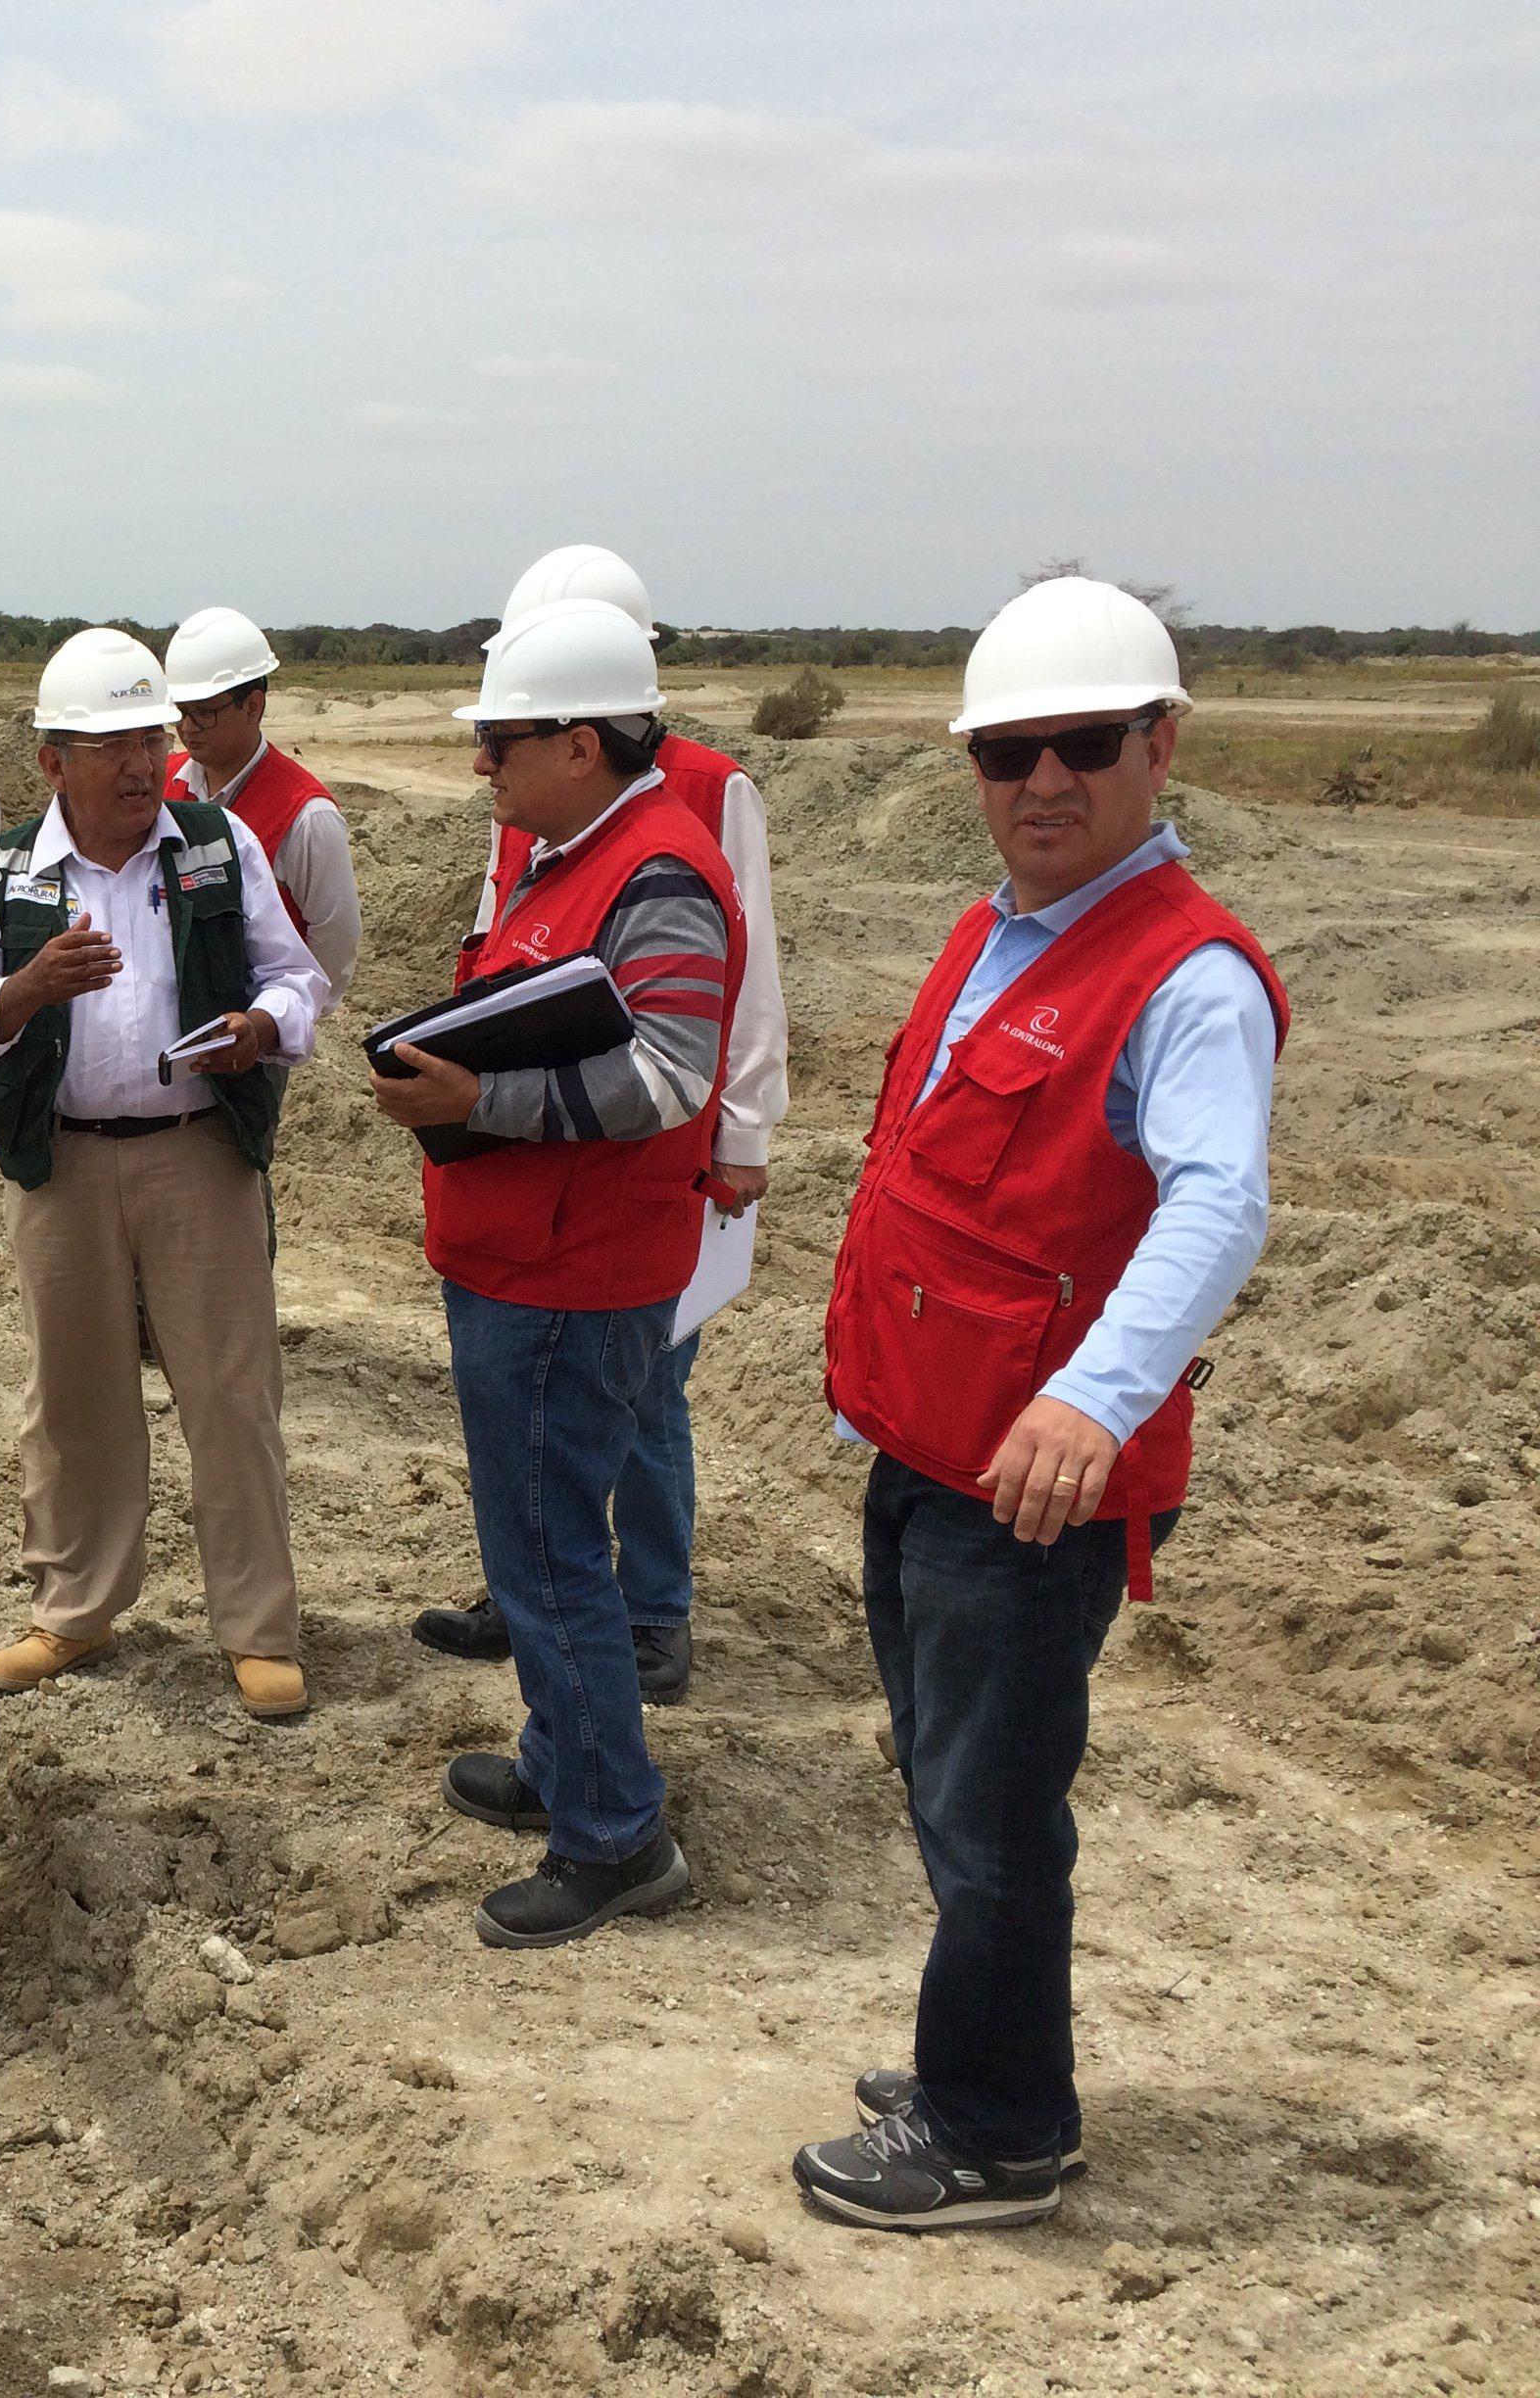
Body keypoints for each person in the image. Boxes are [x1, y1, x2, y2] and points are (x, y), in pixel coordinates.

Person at [789, 578, 1283, 2231]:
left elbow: (1217, 1202)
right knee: (949, 1778)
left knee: (993, 1810)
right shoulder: (998, 930)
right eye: (1009, 752)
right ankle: (993, 2061)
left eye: (1083, 742)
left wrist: (1092, 1399)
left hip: (1030, 1481)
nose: (1044, 780)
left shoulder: (1186, 976)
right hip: (929, 1448)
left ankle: (994, 2131)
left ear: (1159, 747)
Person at [369, 600, 740, 1947]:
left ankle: (615, 1836)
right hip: (526, 1258)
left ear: (582, 744)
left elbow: (671, 1075)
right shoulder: (570, 854)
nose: (482, 763)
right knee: (535, 1540)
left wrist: (481, 1099)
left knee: (551, 1553)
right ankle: (563, 1753)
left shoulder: (659, 875)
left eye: (502, 740)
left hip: (573, 1276)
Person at [413, 547, 791, 1703]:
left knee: (644, 1392)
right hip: (540, 1175)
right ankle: (539, 1597)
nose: (486, 757)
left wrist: (743, 1134)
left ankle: (651, 1611)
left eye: (507, 729)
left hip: (634, 1171)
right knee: (557, 1450)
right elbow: (509, 934)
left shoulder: (703, 798)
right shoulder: (543, 799)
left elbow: (742, 981)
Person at [0, 627, 331, 1720]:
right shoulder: (8, 872)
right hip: (59, 1164)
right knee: (73, 1398)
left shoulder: (217, 843)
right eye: (108, 746)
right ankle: (74, 1610)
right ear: (51, 761)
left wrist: (263, 1025)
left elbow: (297, 978)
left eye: (150, 740)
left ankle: (257, 1629)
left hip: (200, 1154)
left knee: (233, 1393)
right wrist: (27, 990)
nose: (137, 765)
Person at [163, 606, 363, 994]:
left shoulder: (308, 817)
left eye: (204, 713)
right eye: (179, 712)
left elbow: (334, 942)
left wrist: (284, 1017)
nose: (187, 728)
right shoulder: (161, 785)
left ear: (253, 706)